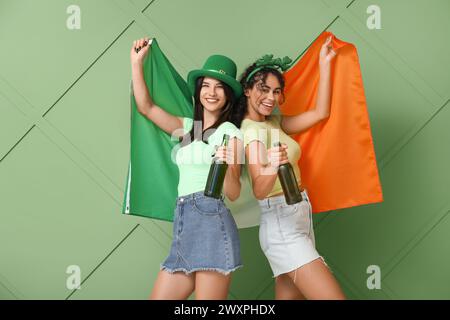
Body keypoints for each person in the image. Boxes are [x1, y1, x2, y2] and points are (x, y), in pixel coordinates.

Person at [130, 37, 244, 300]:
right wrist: (136, 63)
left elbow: (234, 192)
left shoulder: (230, 133)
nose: (211, 92)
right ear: (198, 90)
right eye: (206, 86)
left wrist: (226, 164)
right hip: (184, 225)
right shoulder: (187, 129)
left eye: (219, 87)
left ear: (228, 95)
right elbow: (146, 108)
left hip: (211, 225)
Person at [237, 36, 346, 299]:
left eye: (276, 91)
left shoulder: (273, 123)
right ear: (248, 90)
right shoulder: (251, 131)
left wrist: (325, 64)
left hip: (298, 218)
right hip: (281, 224)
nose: (270, 97)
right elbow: (260, 190)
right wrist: (273, 164)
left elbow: (320, 113)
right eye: (263, 89)